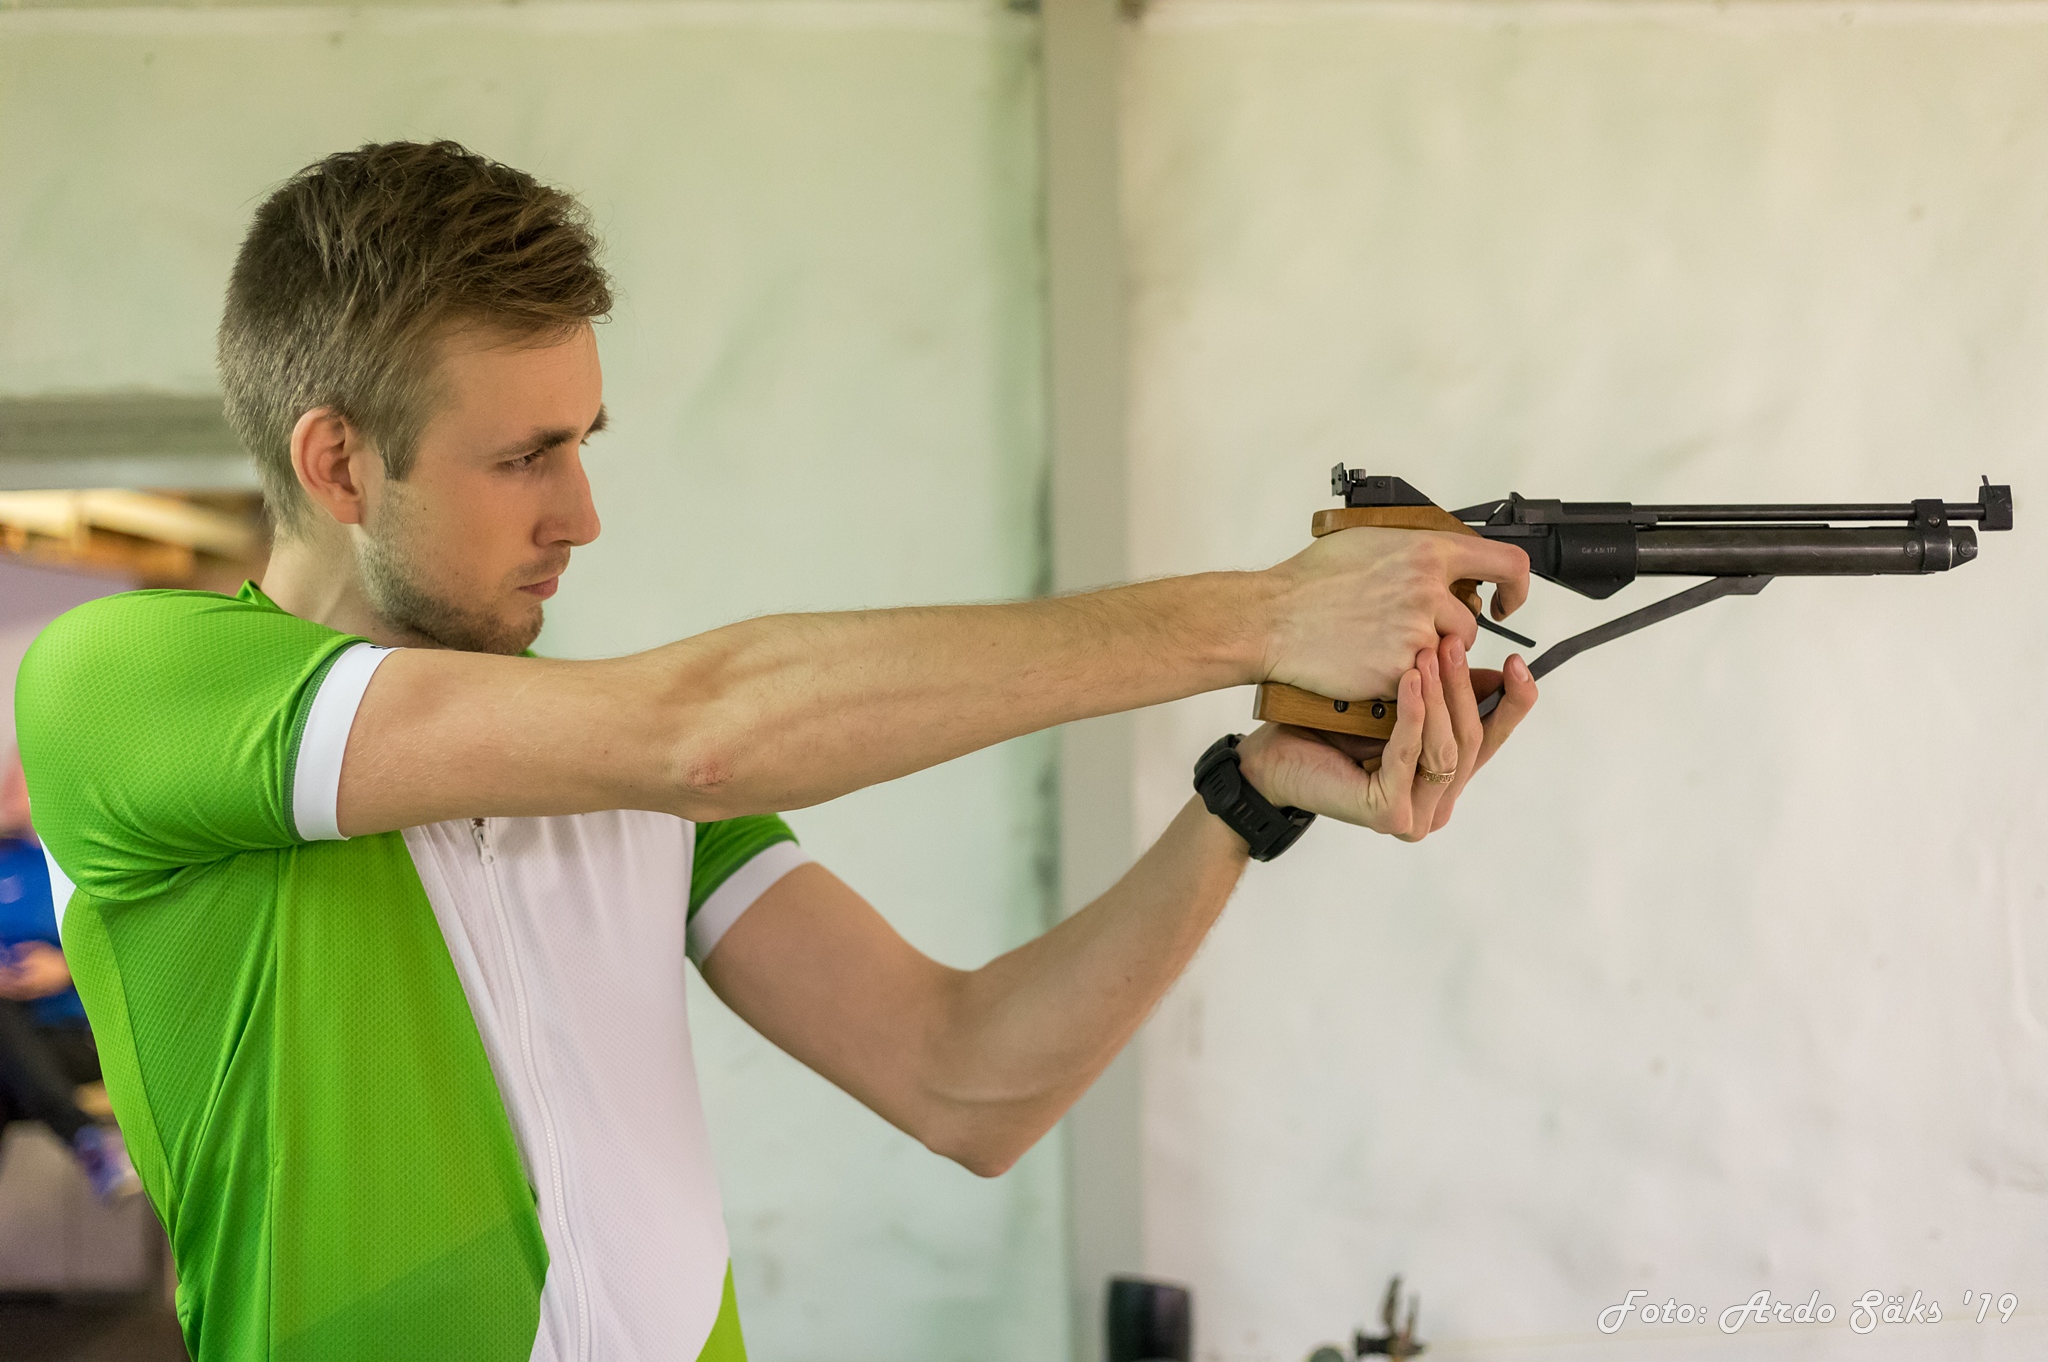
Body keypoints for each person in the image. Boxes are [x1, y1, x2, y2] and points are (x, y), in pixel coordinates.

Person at [14, 141, 1538, 1362]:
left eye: (584, 441)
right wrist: (1267, 613)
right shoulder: (122, 686)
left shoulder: (606, 774)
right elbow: (702, 733)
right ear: (338, 462)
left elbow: (968, 1081)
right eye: (525, 456)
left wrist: (1249, 793)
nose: (580, 513)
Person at [0, 747, 139, 1200]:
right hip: (20, 1039)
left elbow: (136, 953)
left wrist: (67, 969)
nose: (5, 785)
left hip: (81, 1036)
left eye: (17, 775)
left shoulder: (85, 865)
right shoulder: (5, 860)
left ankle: (87, 1140)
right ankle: (87, 1141)